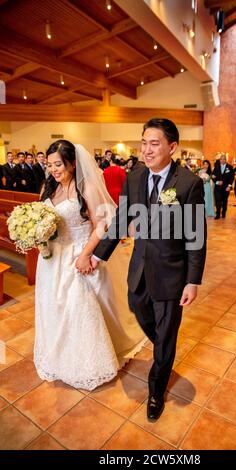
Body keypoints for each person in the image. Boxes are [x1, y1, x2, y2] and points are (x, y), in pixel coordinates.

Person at [77, 118, 207, 422]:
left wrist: (193, 281)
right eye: (144, 142)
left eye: (155, 143)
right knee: (139, 309)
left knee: (166, 334)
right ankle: (164, 349)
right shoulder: (135, 177)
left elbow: (196, 236)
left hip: (173, 273)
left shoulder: (189, 183)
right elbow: (122, 219)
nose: (147, 150)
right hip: (140, 268)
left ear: (172, 147)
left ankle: (156, 389)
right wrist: (98, 255)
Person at [34, 140, 146, 391]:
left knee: (78, 306)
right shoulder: (47, 188)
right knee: (54, 306)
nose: (53, 169)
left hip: (79, 252)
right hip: (53, 257)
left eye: (58, 164)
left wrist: (85, 255)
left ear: (73, 163)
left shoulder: (87, 188)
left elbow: (101, 226)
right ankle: (59, 353)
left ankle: (88, 359)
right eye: (49, 164)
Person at [212, 153, 234, 219]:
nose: (222, 160)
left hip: (226, 188)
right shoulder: (216, 167)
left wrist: (229, 186)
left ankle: (224, 212)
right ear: (219, 160)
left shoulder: (230, 167)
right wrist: (217, 182)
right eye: (221, 159)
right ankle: (218, 213)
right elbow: (213, 176)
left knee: (224, 201)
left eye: (224, 159)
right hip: (218, 188)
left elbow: (231, 178)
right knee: (218, 200)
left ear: (226, 160)